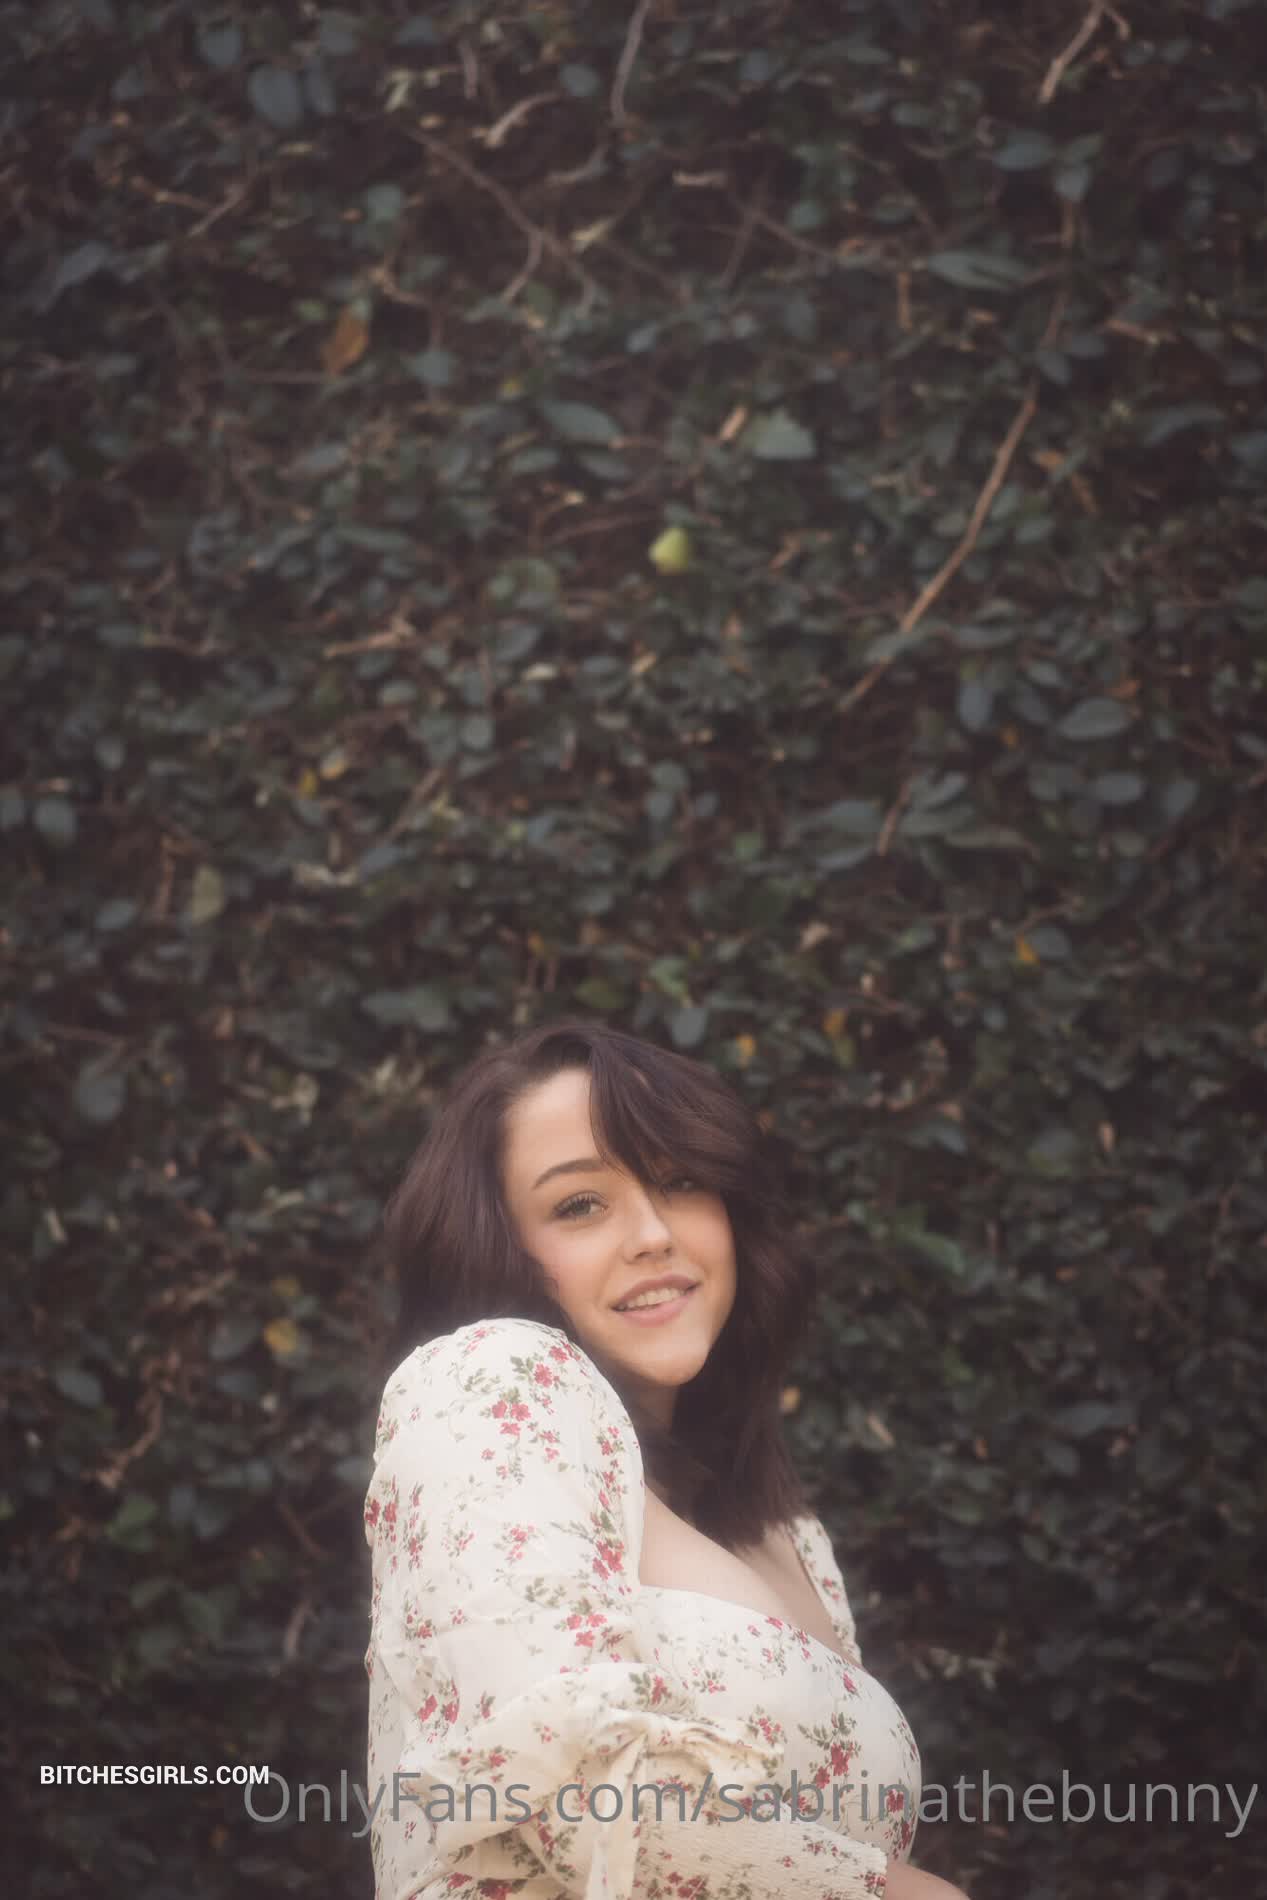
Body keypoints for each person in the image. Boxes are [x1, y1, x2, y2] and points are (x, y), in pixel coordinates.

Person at [364, 1017, 970, 1900]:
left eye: (681, 1182)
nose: (651, 1233)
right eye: (579, 1205)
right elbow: (550, 1779)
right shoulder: (488, 1379)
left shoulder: (786, 1536)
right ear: (495, 1248)